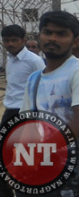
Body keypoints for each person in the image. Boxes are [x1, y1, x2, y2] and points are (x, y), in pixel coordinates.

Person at [17, 11, 79, 196]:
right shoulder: (34, 79)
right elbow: (29, 126)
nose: (52, 38)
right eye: (47, 32)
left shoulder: (75, 72)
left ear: (75, 41)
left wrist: (41, 151)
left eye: (61, 34)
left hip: (70, 171)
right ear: (40, 36)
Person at [0, 25, 44, 197]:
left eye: (14, 40)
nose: (10, 44)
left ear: (23, 40)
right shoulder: (11, 59)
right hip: (10, 111)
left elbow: (41, 87)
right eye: (6, 40)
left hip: (25, 113)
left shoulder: (33, 61)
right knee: (1, 154)